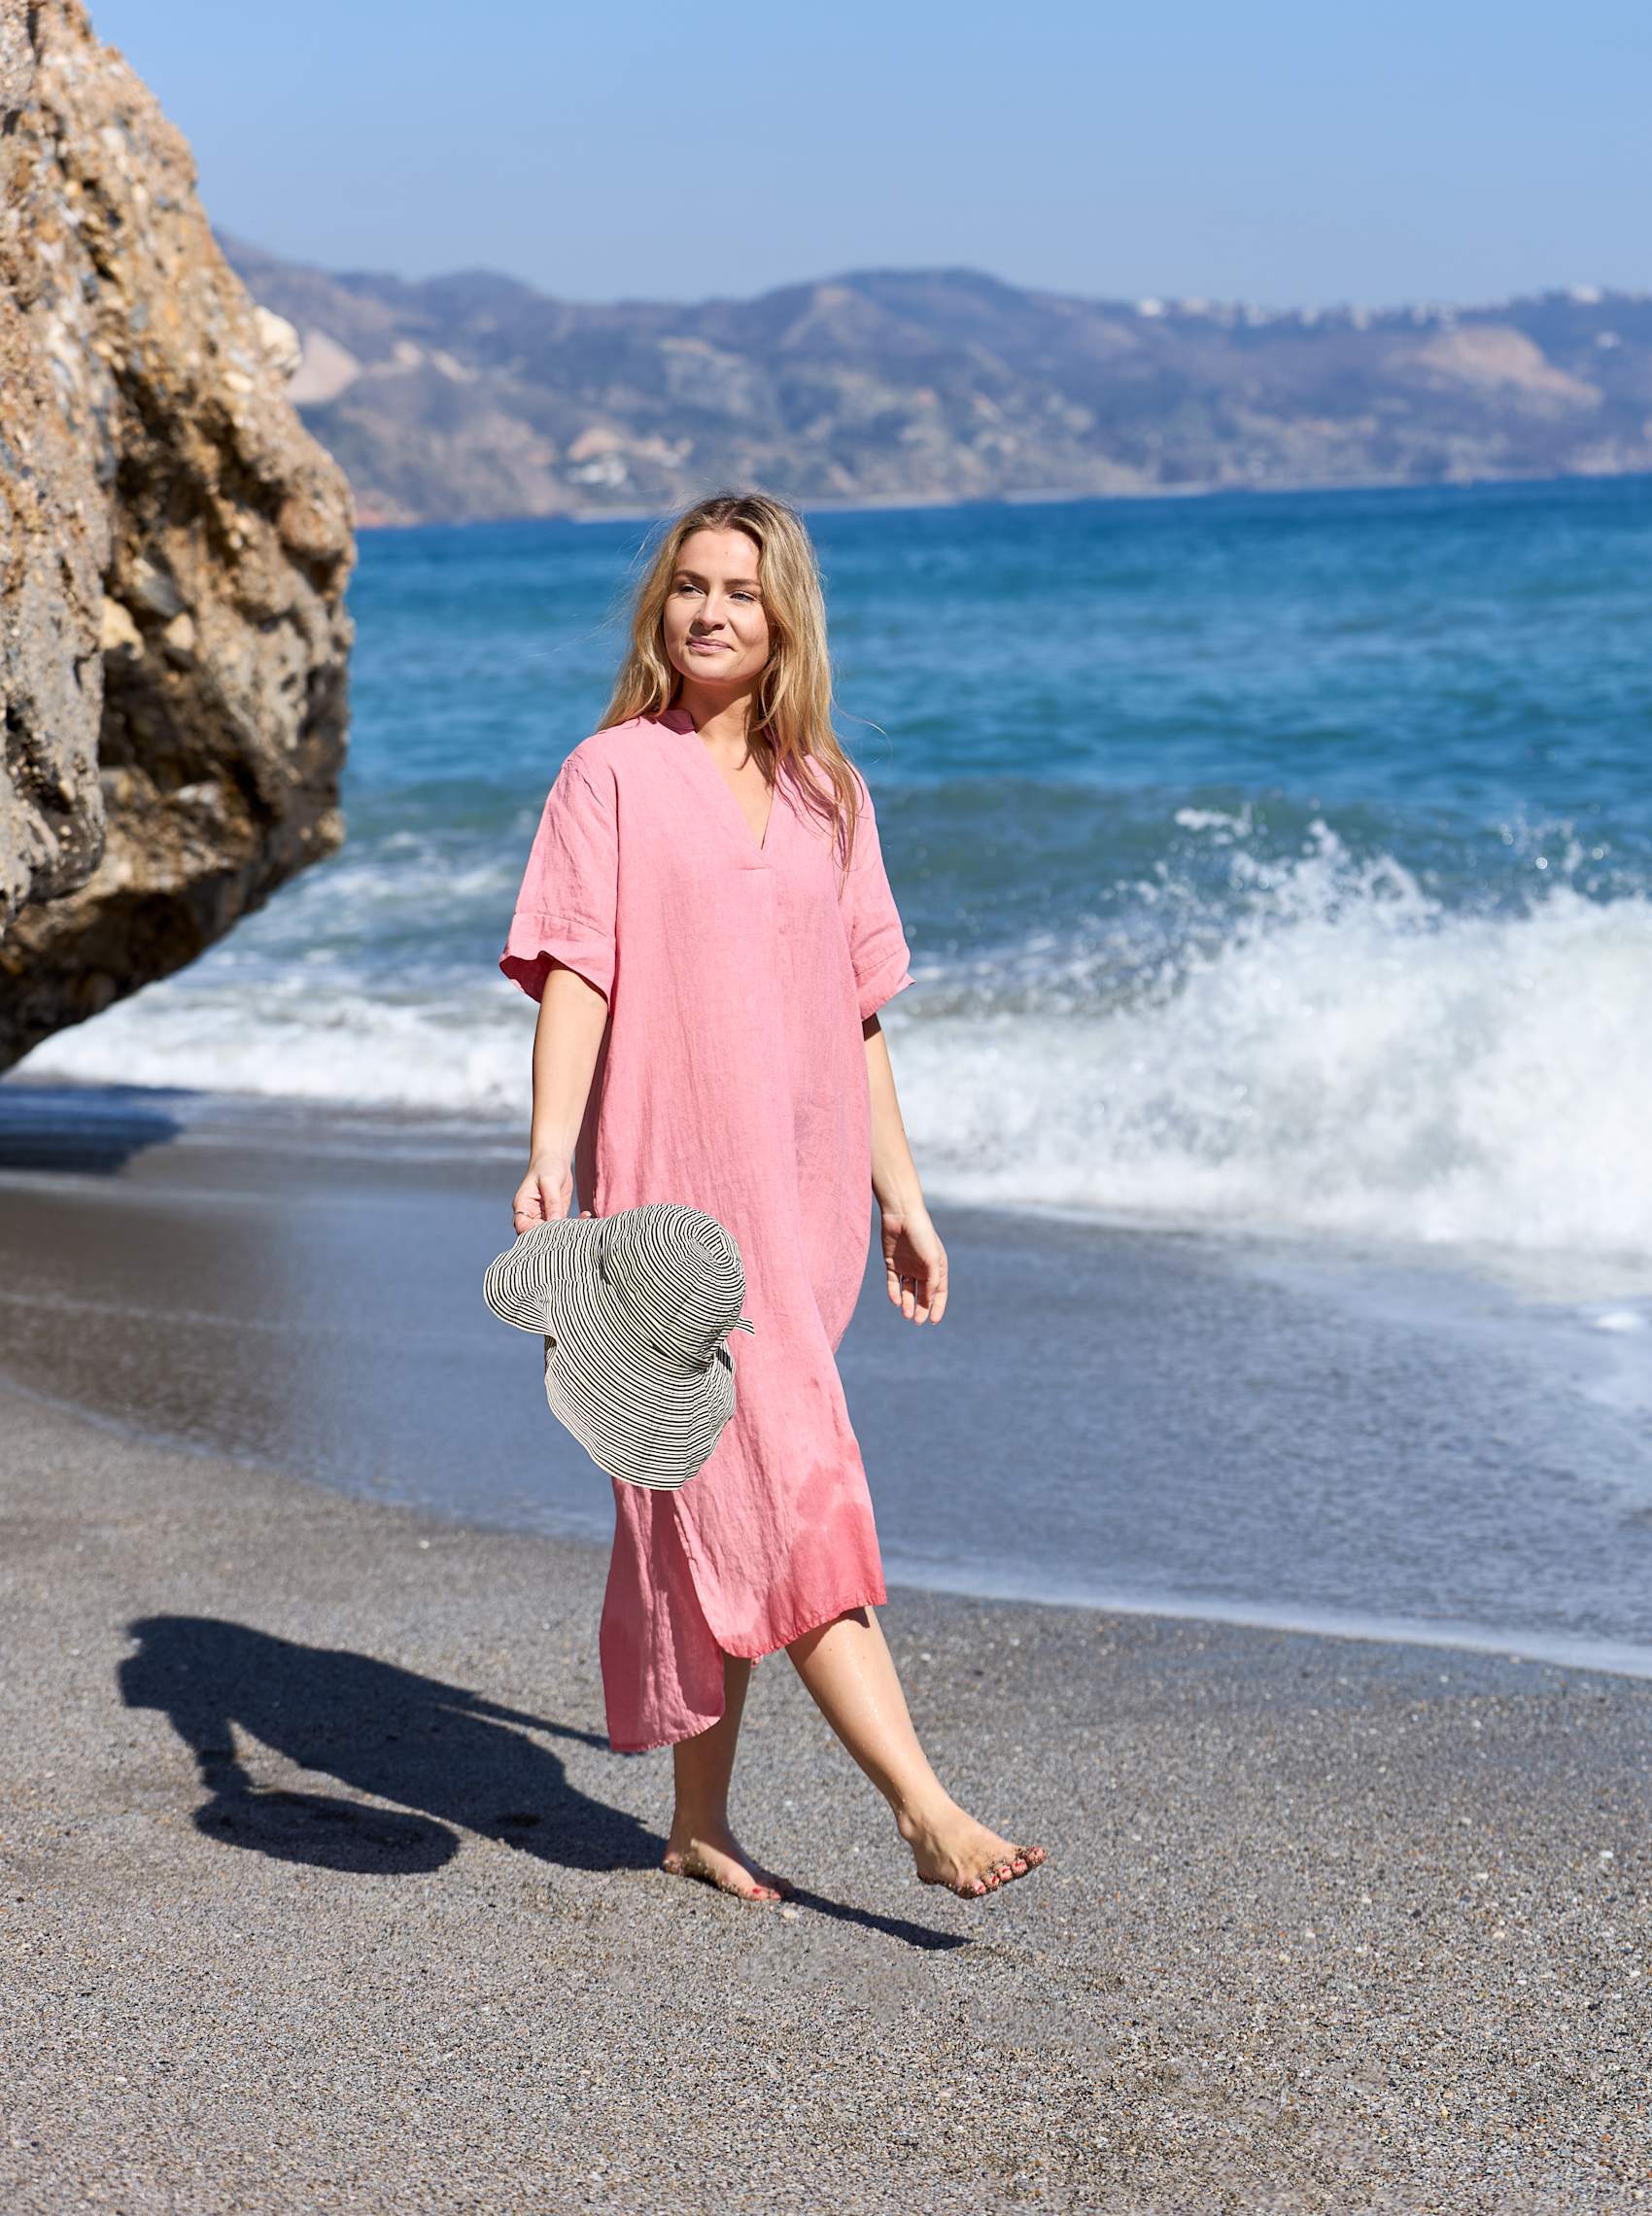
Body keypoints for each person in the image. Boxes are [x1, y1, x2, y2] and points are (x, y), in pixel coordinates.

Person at [499, 489, 1046, 1904]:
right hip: (668, 1204)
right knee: (791, 1485)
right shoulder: (610, 774)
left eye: (740, 591)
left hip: (797, 1204)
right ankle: (925, 1810)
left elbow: (858, 1014)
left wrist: (902, 1196)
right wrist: (550, 1149)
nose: (711, 611)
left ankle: (698, 1822)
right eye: (689, 586)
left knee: (718, 1490)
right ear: (659, 609)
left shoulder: (829, 795)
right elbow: (577, 971)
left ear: (784, 616)